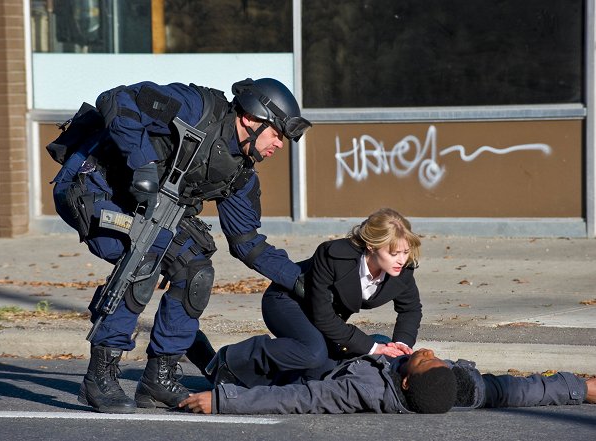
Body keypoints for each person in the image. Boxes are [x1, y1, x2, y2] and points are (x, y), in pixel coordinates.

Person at [50, 78, 312, 413]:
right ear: (251, 118)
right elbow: (116, 99)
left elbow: (247, 244)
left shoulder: (239, 174)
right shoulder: (197, 107)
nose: (279, 145)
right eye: (277, 133)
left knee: (196, 269)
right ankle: (99, 377)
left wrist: (303, 281)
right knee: (147, 256)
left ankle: (158, 378)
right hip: (91, 184)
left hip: (149, 206)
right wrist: (142, 163)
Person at [203, 208, 422, 388]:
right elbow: (323, 316)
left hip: (322, 315)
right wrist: (373, 347)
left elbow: (410, 309)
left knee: (322, 371)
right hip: (286, 301)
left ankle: (254, 382)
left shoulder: (401, 271)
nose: (401, 260)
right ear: (371, 246)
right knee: (313, 352)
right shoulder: (335, 256)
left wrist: (401, 344)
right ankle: (231, 358)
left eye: (405, 252)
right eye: (393, 253)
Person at [180, 347, 596, 414]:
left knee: (222, 364)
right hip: (354, 354)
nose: (429, 353)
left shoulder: (361, 389)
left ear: (407, 384)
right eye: (438, 361)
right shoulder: (467, 391)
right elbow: (524, 390)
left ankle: (206, 356)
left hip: (296, 370)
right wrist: (583, 388)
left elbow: (299, 399)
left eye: (424, 361)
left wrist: (223, 401)